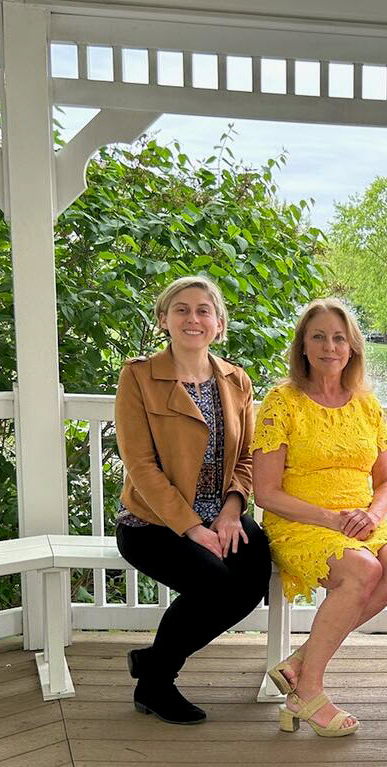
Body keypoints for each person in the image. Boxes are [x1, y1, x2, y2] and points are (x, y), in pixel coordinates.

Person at [251, 298, 387, 738]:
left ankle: (301, 661)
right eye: (319, 337)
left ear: (353, 347)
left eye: (339, 338)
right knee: (363, 570)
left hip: (361, 518)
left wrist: (372, 514)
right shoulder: (281, 402)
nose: (330, 346)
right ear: (303, 345)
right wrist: (330, 519)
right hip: (301, 520)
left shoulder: (367, 404)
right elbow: (266, 493)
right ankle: (309, 689)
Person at [115, 275, 272, 725]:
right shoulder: (139, 377)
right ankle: (158, 681)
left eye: (204, 310)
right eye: (181, 309)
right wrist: (192, 528)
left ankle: (152, 663)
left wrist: (231, 510)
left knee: (253, 577)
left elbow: (246, 457)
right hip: (153, 522)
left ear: (219, 324)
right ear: (163, 319)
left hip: (220, 514)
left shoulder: (236, 380)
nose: (193, 318)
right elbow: (140, 466)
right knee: (215, 583)